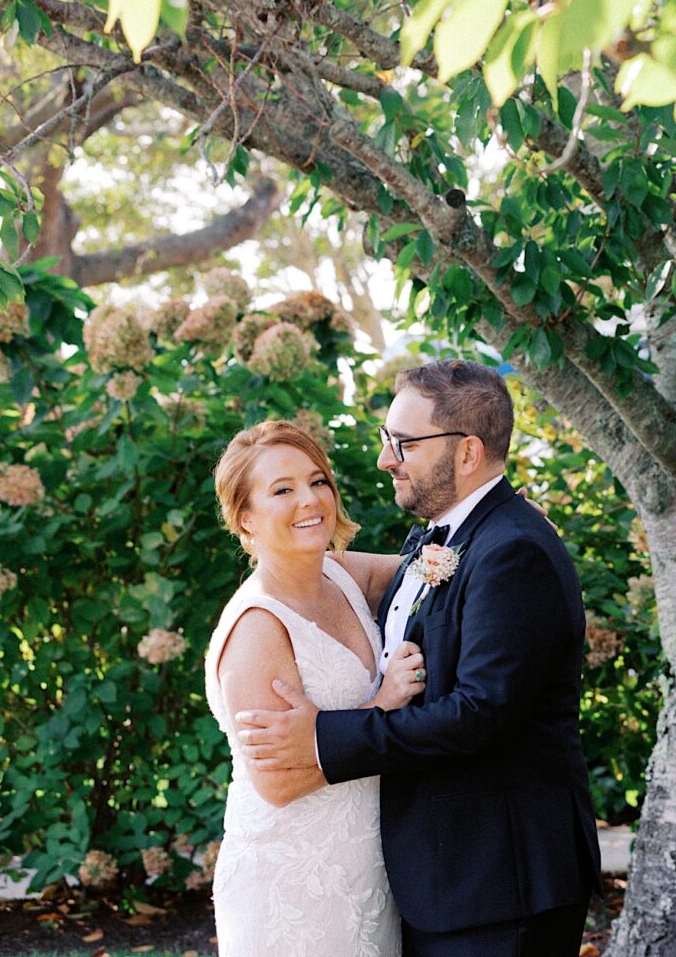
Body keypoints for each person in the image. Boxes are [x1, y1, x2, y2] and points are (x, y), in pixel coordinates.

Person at [236, 359, 601, 957]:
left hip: (498, 882)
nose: (386, 459)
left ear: (467, 454)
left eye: (402, 443)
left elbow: (481, 713)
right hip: (445, 879)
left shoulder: (512, 551)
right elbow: (318, 567)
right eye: (387, 441)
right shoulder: (448, 535)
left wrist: (325, 738)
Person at [205, 420, 428, 956]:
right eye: (282, 490)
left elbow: (438, 570)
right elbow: (276, 784)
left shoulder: (341, 575)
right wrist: (383, 703)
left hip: (362, 867)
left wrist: (497, 527)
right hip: (289, 880)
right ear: (245, 517)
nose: (310, 500)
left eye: (318, 481)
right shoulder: (257, 626)